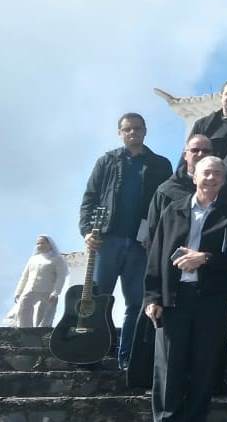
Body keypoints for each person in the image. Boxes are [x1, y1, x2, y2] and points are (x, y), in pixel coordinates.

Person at [144, 156, 227, 422]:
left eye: (216, 174)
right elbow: (156, 255)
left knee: (205, 363)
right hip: (174, 297)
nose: (211, 178)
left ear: (223, 180)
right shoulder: (173, 210)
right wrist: (152, 296)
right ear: (194, 177)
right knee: (169, 364)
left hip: (211, 298)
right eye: (206, 173)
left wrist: (205, 258)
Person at [80, 112, 173, 369]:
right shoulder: (106, 161)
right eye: (127, 129)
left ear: (145, 131)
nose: (133, 133)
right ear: (120, 132)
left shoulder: (160, 165)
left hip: (141, 245)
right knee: (98, 299)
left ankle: (126, 359)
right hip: (107, 240)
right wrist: (87, 230)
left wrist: (157, 238)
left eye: (137, 129)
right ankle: (94, 352)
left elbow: (166, 204)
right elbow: (90, 198)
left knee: (136, 303)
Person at [145, 135, 219, 244]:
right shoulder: (166, 191)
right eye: (195, 150)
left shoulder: (222, 190)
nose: (201, 154)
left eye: (206, 151)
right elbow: (152, 233)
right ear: (185, 155)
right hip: (171, 257)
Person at [12, 236, 68, 327]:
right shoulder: (33, 259)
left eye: (42, 243)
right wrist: (18, 292)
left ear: (50, 245)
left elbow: (61, 277)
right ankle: (26, 330)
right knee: (23, 308)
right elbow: (25, 276)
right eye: (38, 243)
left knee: (44, 315)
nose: (39, 245)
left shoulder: (58, 259)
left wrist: (56, 292)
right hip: (30, 289)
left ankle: (40, 332)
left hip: (47, 291)